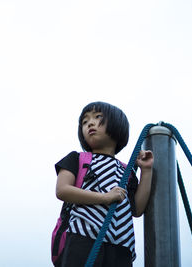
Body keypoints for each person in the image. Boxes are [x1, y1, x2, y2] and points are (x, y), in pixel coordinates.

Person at [55, 101, 154, 267]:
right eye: (85, 122)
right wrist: (104, 197)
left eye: (98, 117)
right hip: (83, 236)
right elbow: (62, 190)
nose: (90, 123)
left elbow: (136, 209)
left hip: (122, 244)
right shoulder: (77, 158)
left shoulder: (126, 170)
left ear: (117, 125)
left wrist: (146, 171)